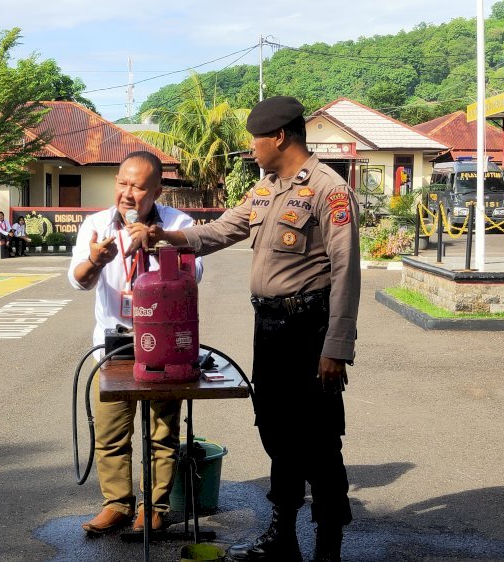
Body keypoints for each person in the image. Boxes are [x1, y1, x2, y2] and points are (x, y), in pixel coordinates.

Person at [129, 97, 360, 562]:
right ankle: (284, 541)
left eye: (256, 138)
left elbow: (347, 271)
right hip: (271, 329)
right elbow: (218, 231)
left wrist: (337, 346)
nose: (250, 148)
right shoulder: (266, 189)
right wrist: (165, 236)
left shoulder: (328, 190)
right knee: (276, 432)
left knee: (317, 439)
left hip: (309, 330)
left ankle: (329, 549)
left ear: (279, 137)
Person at [67, 151, 204, 535]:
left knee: (163, 432)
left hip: (163, 345)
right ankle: (117, 505)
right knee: (111, 432)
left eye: (138, 187)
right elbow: (78, 280)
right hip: (112, 344)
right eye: (122, 183)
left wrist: (157, 244)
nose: (127, 194)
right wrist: (95, 260)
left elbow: (194, 275)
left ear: (157, 191)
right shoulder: (95, 225)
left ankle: (155, 508)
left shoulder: (179, 224)